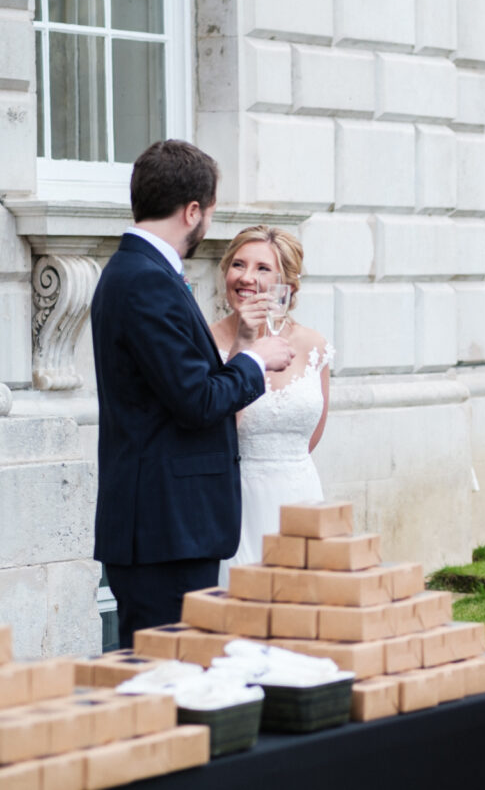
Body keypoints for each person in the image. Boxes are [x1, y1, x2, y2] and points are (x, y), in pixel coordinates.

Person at [92, 140, 293, 648]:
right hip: (165, 530)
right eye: (210, 211)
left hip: (170, 526)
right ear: (193, 211)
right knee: (171, 676)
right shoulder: (144, 280)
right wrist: (255, 361)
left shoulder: (144, 272)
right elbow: (196, 400)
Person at [209, 225, 334, 583]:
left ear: (288, 284)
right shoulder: (205, 342)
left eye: (262, 268)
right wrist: (244, 347)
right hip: (239, 503)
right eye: (238, 265)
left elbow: (311, 435)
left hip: (302, 497)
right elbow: (216, 427)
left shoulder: (314, 345)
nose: (246, 277)